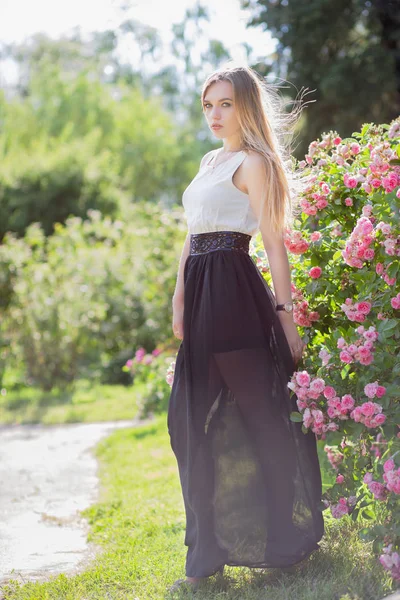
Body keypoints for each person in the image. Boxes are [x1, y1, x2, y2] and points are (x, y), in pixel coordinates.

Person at [167, 63, 325, 594]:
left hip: (236, 292)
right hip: (202, 292)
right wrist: (179, 295)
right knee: (186, 422)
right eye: (208, 104)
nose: (215, 114)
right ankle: (207, 547)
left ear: (246, 106)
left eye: (225, 104)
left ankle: (283, 538)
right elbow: (193, 235)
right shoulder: (211, 160)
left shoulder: (254, 162)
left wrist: (286, 315)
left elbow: (274, 243)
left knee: (263, 420)